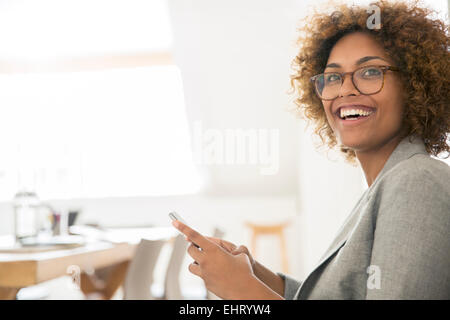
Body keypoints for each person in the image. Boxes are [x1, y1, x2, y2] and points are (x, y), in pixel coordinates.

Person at [172, 0, 450, 299]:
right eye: (332, 77)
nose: (345, 89)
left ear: (414, 85)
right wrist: (254, 272)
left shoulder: (418, 181)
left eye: (369, 72)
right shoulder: (385, 185)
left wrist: (244, 290)